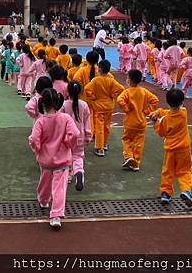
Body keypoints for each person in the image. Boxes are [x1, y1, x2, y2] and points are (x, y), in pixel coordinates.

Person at [28, 88, 79, 230]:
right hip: (62, 160)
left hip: (45, 159)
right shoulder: (65, 118)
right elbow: (75, 133)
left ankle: (43, 200)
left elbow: (34, 139)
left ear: (42, 103)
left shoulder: (40, 121)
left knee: (45, 180)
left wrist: (37, 149)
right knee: (59, 187)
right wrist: (68, 144)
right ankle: (56, 214)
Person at [149, 88, 192, 207]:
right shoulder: (184, 112)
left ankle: (166, 193)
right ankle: (186, 190)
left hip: (170, 149)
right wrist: (159, 112)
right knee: (185, 170)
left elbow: (161, 132)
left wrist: (155, 121)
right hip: (184, 148)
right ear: (181, 102)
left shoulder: (165, 119)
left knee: (167, 171)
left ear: (168, 101)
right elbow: (172, 112)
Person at [116, 69, 159, 172]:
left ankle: (128, 156)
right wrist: (147, 111)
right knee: (139, 142)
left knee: (126, 139)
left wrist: (126, 109)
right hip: (141, 122)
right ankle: (136, 162)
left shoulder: (127, 92)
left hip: (130, 121)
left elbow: (119, 100)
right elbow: (155, 100)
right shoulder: (144, 91)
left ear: (129, 80)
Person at [84, 60, 124, 157]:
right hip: (109, 106)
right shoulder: (111, 80)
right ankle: (104, 143)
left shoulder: (96, 80)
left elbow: (86, 89)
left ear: (100, 69)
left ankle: (99, 147)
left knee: (99, 128)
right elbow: (121, 88)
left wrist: (93, 98)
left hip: (99, 107)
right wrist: (112, 95)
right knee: (106, 126)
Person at [61, 81, 91, 191]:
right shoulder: (84, 105)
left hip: (67, 136)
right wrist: (88, 136)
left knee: (66, 155)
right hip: (80, 136)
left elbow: (61, 121)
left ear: (68, 92)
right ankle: (78, 171)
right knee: (78, 156)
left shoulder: (64, 105)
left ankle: (68, 174)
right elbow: (87, 122)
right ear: (80, 92)